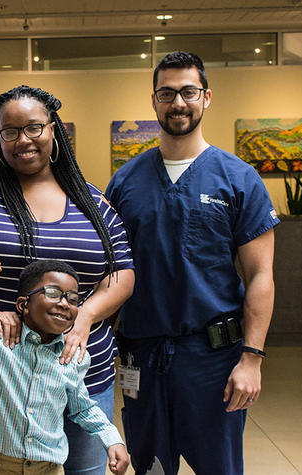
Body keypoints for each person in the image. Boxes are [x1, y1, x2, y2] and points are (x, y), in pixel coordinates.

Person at [0, 85, 135, 474]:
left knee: (86, 470)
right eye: (9, 131)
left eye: (34, 128)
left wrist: (83, 318)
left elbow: (121, 276)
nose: (23, 140)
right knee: (13, 467)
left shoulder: (93, 201)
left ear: (54, 131)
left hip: (80, 371)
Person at [106, 51, 280, 475]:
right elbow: (107, 273)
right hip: (141, 356)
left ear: (206, 97)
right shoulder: (125, 182)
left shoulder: (238, 179)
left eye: (188, 92)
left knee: (217, 466)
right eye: (167, 93)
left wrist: (252, 359)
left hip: (213, 358)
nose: (178, 103)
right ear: (153, 101)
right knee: (147, 466)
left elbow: (260, 275)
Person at [0, 257, 130, 475]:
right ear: (23, 305)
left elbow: (83, 408)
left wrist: (113, 440)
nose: (64, 303)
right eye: (53, 294)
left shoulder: (73, 357)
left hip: (50, 469)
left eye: (72, 299)